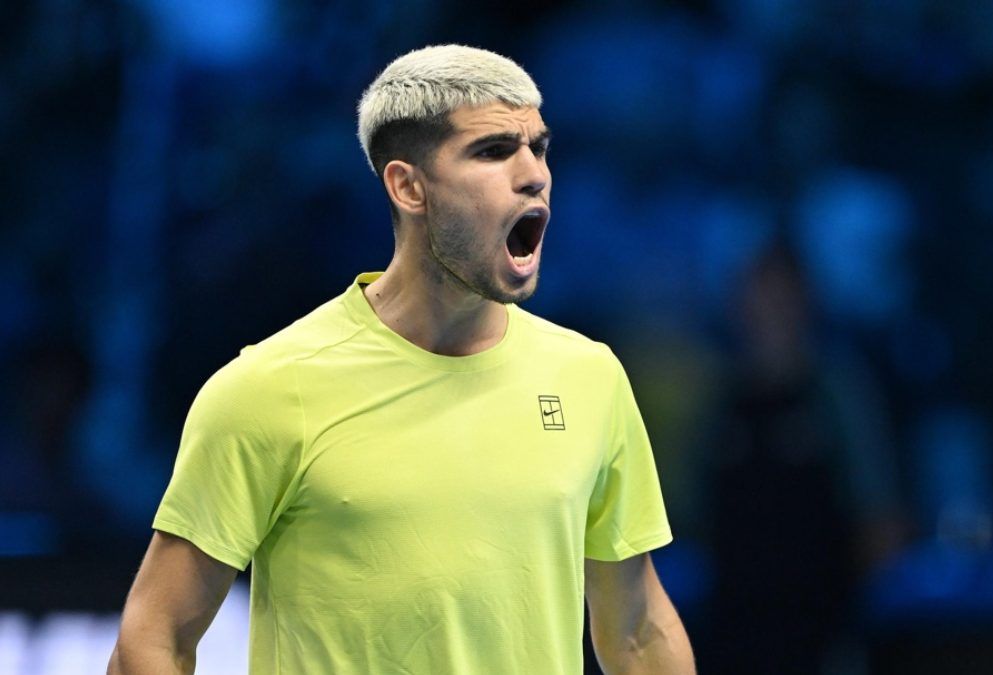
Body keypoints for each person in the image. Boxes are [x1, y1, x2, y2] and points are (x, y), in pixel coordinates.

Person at [107, 44, 694, 675]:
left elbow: (637, 632)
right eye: (494, 150)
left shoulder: (589, 377)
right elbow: (155, 638)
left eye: (539, 148)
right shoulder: (272, 387)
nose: (534, 175)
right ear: (408, 186)